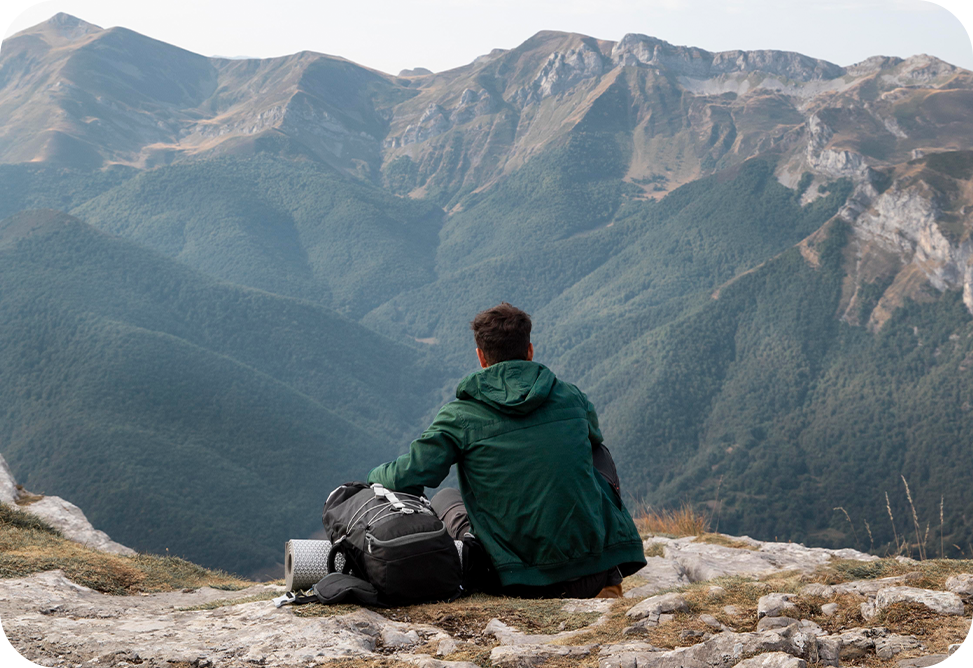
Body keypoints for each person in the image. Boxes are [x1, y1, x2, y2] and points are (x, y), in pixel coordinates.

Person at [366, 303, 646, 598]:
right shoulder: (571, 397)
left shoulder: (461, 415)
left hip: (516, 581)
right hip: (591, 575)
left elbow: (408, 474)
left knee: (445, 497)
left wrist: (373, 475)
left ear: (481, 358)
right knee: (594, 454)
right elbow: (595, 438)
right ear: (530, 351)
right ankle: (609, 579)